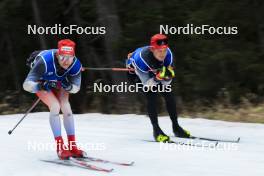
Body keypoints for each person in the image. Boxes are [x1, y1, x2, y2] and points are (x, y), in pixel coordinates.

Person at [23, 39, 85, 159]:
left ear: (74, 56)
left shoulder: (76, 64)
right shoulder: (44, 62)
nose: (66, 61)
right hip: (41, 80)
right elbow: (26, 85)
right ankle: (60, 147)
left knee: (66, 107)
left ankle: (72, 146)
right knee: (55, 106)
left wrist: (69, 86)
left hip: (59, 81)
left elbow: (76, 88)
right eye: (62, 57)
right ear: (57, 55)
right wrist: (39, 85)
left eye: (70, 58)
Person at [126, 34, 190, 142]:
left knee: (169, 94)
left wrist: (167, 76)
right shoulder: (141, 59)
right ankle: (156, 131)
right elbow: (147, 85)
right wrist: (158, 78)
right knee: (151, 94)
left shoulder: (169, 55)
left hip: (154, 72)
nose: (162, 54)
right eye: (159, 51)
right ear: (152, 49)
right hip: (137, 74)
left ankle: (176, 127)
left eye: (164, 50)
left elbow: (166, 84)